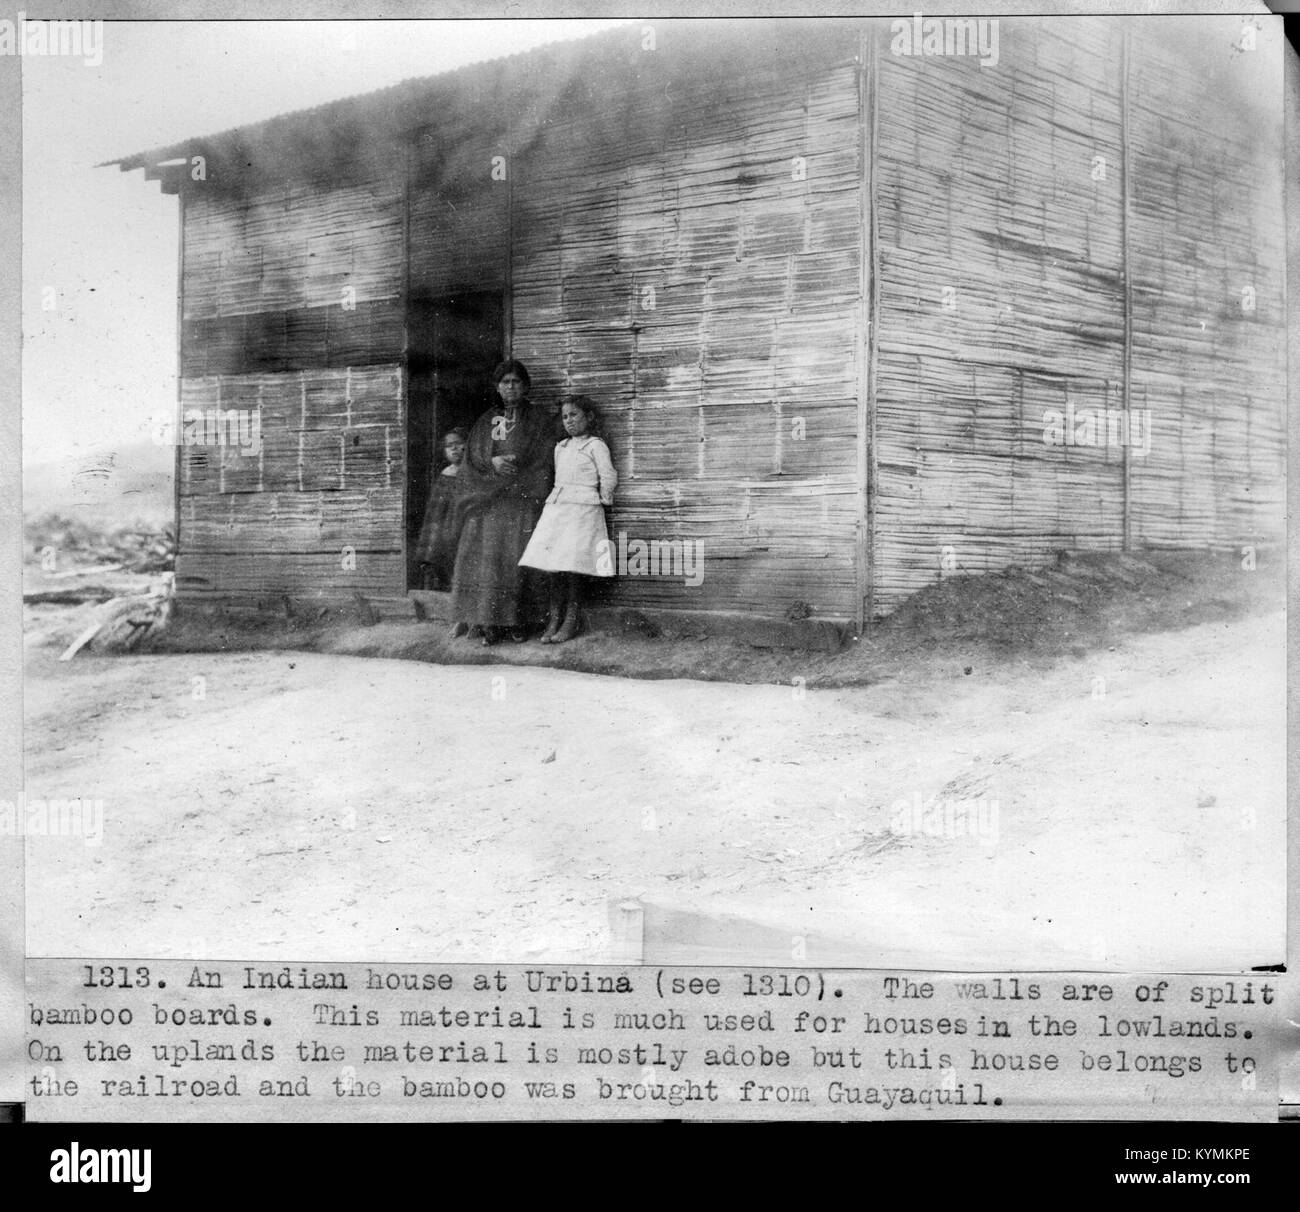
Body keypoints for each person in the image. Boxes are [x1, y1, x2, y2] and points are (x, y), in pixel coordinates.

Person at [446, 360, 557, 646]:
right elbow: (473, 458)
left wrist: (518, 473)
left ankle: (520, 622)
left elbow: (546, 459)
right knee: (489, 562)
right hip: (490, 502)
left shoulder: (539, 419)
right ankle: (489, 623)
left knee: (519, 560)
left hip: (522, 500)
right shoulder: (488, 420)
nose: (510, 387)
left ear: (526, 386)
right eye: (505, 382)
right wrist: (491, 462)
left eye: (516, 382)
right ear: (497, 387)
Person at [518, 396, 617, 644]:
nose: (569, 421)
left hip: (583, 509)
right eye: (565, 417)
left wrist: (603, 499)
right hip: (559, 508)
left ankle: (570, 621)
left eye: (574, 415)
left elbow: (608, 475)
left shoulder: (596, 445)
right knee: (553, 564)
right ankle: (554, 618)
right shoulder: (560, 447)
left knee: (573, 566)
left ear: (588, 417)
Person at [412, 428, 467, 606]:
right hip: (447, 527)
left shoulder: (471, 472)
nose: (454, 449)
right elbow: (435, 512)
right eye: (449, 446)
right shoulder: (445, 475)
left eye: (458, 444)